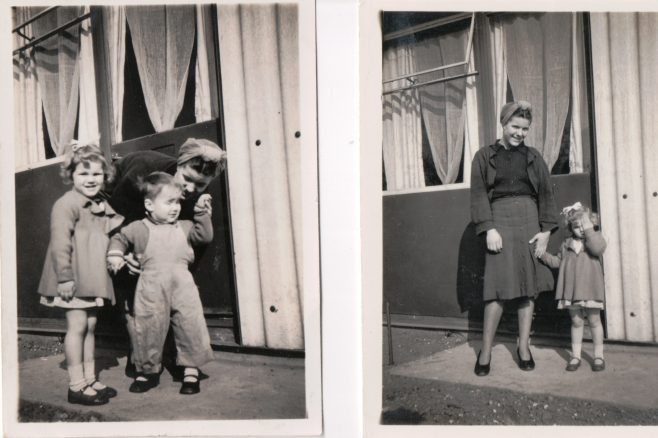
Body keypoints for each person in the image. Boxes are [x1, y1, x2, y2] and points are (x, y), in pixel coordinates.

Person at [104, 138, 226, 379]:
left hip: (140, 216)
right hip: (111, 198)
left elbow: (188, 242)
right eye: (187, 179)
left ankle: (173, 350)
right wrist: (130, 254)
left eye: (200, 184)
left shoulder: (197, 197)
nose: (191, 189)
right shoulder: (143, 173)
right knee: (128, 279)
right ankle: (138, 351)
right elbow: (120, 221)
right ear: (178, 165)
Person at [470, 100, 558, 376]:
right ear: (503, 124)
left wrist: (545, 233)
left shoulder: (533, 156)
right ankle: (485, 351)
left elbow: (545, 194)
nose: (520, 133)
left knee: (526, 286)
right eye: (515, 126)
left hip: (530, 221)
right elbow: (478, 194)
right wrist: (489, 228)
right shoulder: (484, 156)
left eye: (525, 128)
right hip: (500, 221)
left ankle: (523, 347)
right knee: (496, 289)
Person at [37, 142, 124, 405]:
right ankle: (76, 386)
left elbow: (108, 235)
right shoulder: (67, 204)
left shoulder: (99, 203)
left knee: (90, 326)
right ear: (71, 175)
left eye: (96, 174)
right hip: (73, 278)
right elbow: (60, 242)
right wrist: (64, 277)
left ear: (105, 176)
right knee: (76, 326)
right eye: (83, 174)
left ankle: (89, 379)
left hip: (92, 277)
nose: (90, 179)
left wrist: (121, 253)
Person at [538, 202, 607, 372]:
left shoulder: (595, 240)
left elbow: (598, 249)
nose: (581, 229)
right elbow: (557, 262)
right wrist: (542, 255)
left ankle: (598, 356)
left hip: (590, 290)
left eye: (584, 225)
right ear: (570, 227)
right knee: (576, 322)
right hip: (572, 291)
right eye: (577, 226)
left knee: (594, 321)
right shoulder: (566, 244)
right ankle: (576, 356)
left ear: (591, 224)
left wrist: (590, 229)